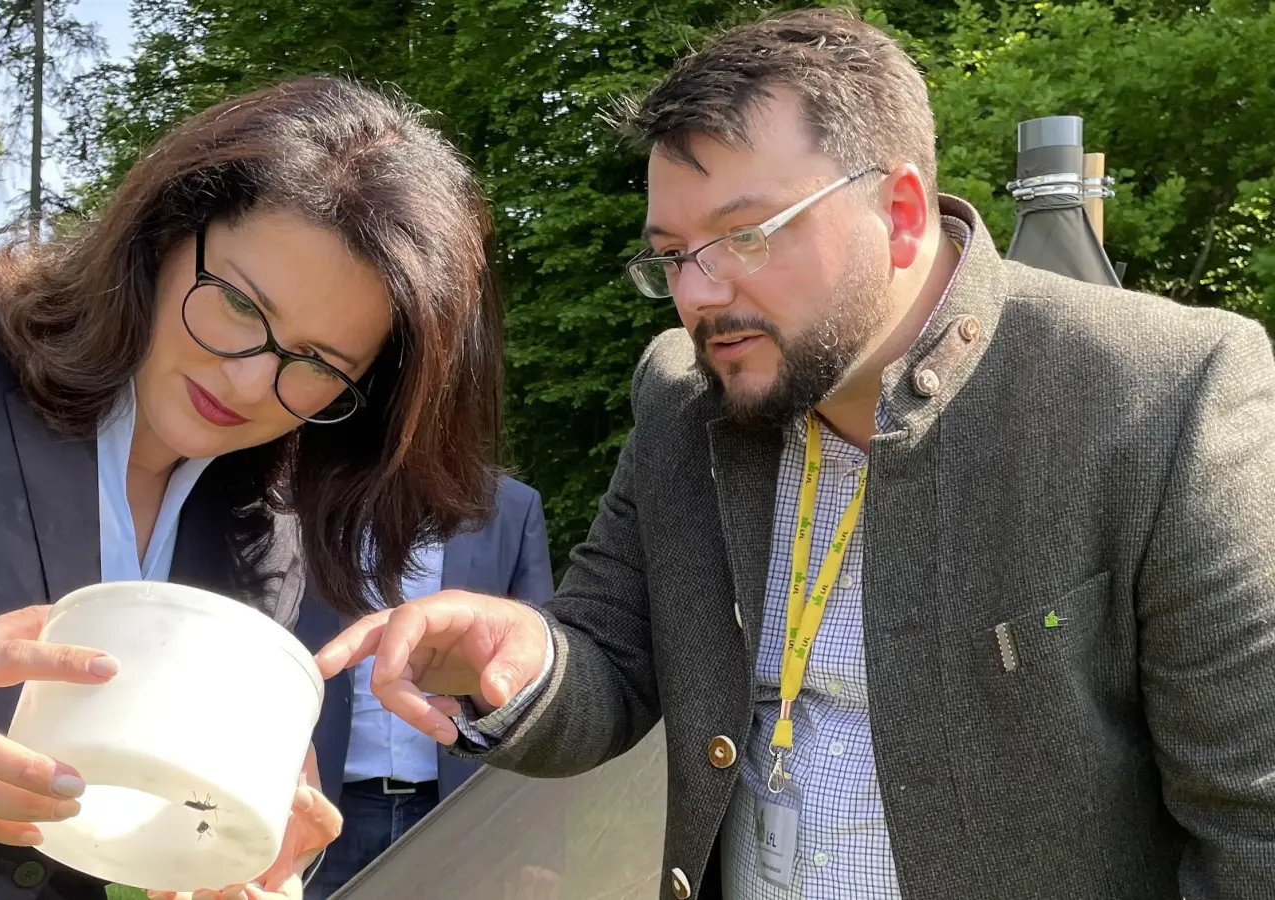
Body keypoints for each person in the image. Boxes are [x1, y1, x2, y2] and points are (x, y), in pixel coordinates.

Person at [317, 9, 1275, 900]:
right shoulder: (681, 394)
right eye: (672, 253)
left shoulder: (1165, 394)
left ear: (900, 211)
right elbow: (608, 662)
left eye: (746, 235)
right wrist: (524, 661)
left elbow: (1253, 826)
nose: (699, 292)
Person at [0, 75, 505, 900]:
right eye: (241, 307)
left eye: (319, 363)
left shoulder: (264, 539)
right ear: (167, 234)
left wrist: (225, 863)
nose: (252, 383)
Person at [295, 473, 553, 898]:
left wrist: (539, 844)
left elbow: (538, 685)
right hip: (323, 811)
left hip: (460, 812)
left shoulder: (512, 508)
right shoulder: (304, 497)